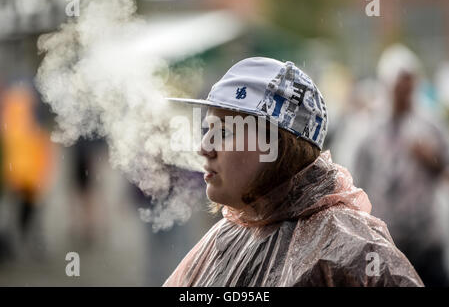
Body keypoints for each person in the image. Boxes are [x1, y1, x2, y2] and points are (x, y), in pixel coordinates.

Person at [164, 57, 423, 286]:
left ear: (277, 144)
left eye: (223, 132)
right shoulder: (225, 237)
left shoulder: (352, 251)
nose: (203, 148)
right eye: (206, 131)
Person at [354, 45, 449, 286]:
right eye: (399, 86)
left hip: (426, 238)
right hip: (387, 240)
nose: (405, 93)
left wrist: (431, 158)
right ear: (387, 86)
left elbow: (445, 169)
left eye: (409, 85)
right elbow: (357, 180)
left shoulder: (429, 124)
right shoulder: (369, 128)